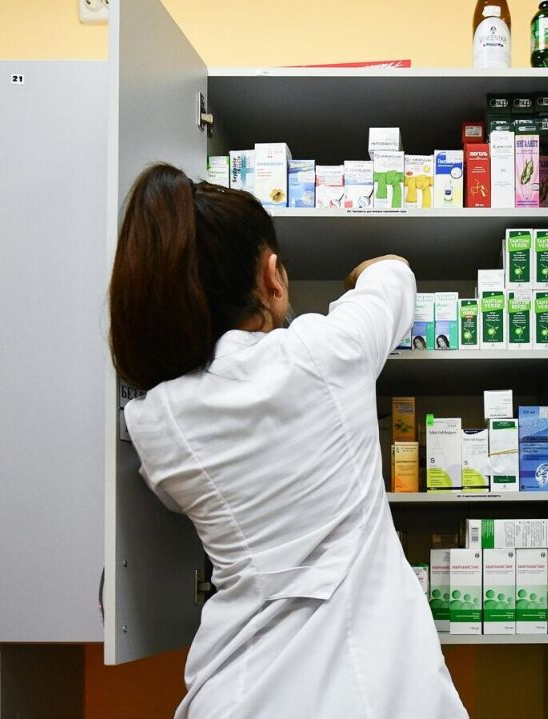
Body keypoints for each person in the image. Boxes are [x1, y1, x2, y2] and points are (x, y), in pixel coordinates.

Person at [108, 163, 468, 719]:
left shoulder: (156, 421)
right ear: (272, 276)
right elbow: (393, 278)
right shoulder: (322, 353)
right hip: (373, 696)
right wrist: (365, 272)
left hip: (237, 694)